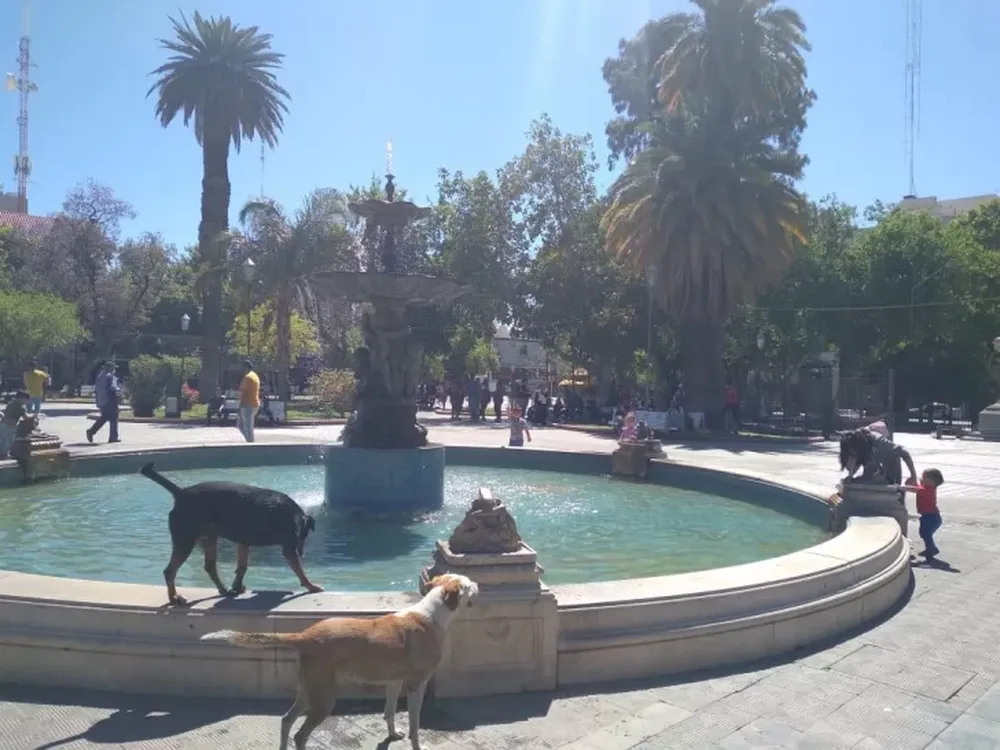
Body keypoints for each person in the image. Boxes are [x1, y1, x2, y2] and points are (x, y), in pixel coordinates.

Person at [899, 468, 945, 559]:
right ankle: (931, 548)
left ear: (932, 482)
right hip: (930, 516)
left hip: (931, 517)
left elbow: (914, 489)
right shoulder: (926, 488)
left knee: (925, 533)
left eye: (924, 478)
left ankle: (931, 549)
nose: (921, 479)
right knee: (925, 533)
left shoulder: (928, 490)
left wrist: (901, 488)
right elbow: (916, 487)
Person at [86, 361, 121, 444]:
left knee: (104, 417)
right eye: (113, 368)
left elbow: (97, 390)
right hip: (110, 400)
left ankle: (91, 431)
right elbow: (113, 388)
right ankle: (113, 437)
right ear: (109, 368)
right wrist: (119, 394)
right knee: (113, 418)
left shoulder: (99, 377)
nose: (114, 369)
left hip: (102, 401)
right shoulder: (110, 377)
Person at [238, 360, 260, 443]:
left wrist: (240, 405)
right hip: (254, 403)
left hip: (248, 404)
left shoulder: (247, 377)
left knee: (247, 427)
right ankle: (249, 441)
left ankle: (251, 443)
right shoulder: (255, 375)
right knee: (241, 425)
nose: (242, 369)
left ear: (246, 367)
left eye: (243, 367)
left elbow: (243, 392)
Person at [0, 390, 27, 458]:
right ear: (22, 398)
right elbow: (26, 417)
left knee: (2, 438)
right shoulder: (21, 407)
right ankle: (3, 454)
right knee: (8, 440)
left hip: (3, 422)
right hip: (11, 425)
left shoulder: (10, 403)